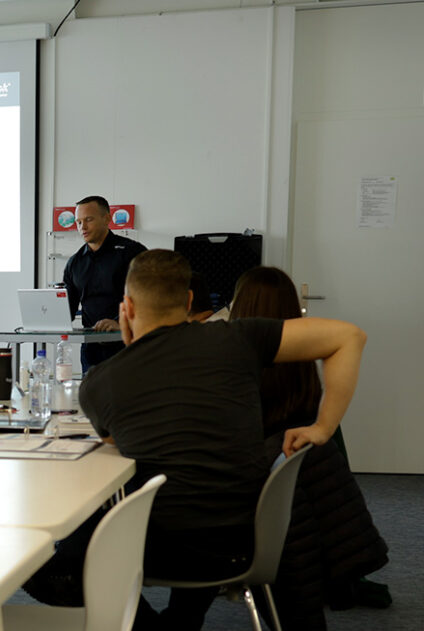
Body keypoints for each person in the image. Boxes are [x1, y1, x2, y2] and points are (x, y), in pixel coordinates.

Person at [26, 250, 366, 630]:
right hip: (247, 540)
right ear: (189, 301)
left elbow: (113, 444)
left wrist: (129, 343)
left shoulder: (100, 383)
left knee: (57, 566)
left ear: (128, 307)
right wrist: (322, 428)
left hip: (162, 548)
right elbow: (349, 337)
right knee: (198, 487)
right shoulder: (241, 338)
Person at [230, 266, 389, 629]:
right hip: (289, 488)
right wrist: (325, 427)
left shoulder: (242, 358)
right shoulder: (303, 361)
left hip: (254, 495)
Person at [62, 195, 145, 370]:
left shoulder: (132, 252)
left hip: (128, 344)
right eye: (78, 222)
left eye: (88, 220)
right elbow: (66, 309)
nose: (82, 227)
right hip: (91, 350)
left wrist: (120, 322)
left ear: (107, 218)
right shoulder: (75, 263)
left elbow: (148, 298)